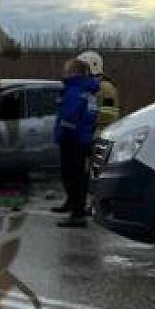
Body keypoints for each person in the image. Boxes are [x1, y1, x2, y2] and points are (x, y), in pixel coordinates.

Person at [53, 58, 99, 228]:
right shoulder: (88, 89)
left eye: (67, 70)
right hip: (83, 138)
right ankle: (75, 208)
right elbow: (91, 114)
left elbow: (69, 115)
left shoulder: (75, 89)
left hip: (72, 139)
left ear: (74, 72)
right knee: (79, 177)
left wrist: (62, 133)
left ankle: (77, 215)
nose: (64, 72)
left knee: (71, 177)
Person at [76, 50, 119, 136]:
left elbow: (109, 113)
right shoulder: (88, 86)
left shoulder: (106, 88)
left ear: (93, 67)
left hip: (101, 135)